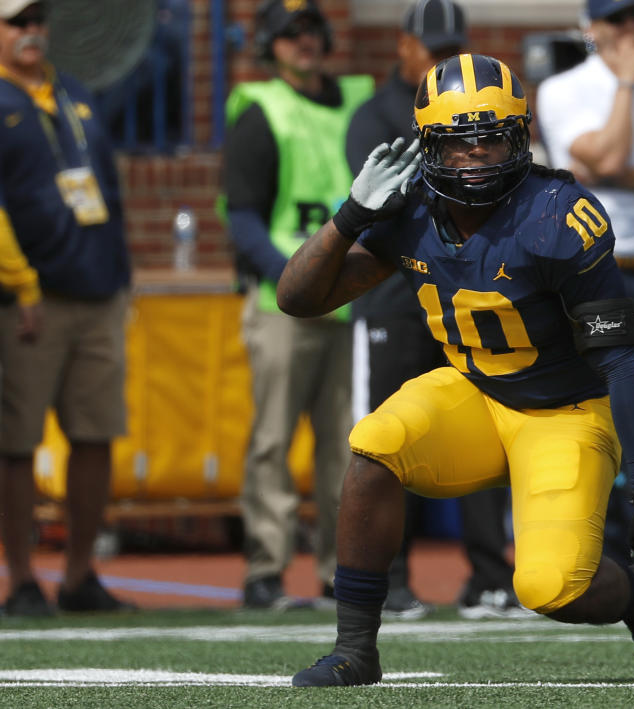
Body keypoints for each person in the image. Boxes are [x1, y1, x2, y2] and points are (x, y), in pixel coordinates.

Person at [278, 53, 634, 687]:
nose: (477, 156)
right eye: (460, 143)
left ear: (521, 137)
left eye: (493, 138)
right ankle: (355, 649)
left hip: (567, 411)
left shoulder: (559, 217)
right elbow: (299, 298)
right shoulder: (410, 210)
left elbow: (622, 362)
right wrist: (351, 216)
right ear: (430, 146)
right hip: (476, 393)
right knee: (372, 447)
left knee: (551, 588)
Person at [346, 0, 527, 621]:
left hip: (465, 299)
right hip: (397, 297)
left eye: (452, 44)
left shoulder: (477, 110)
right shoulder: (374, 114)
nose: (441, 56)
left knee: (484, 431)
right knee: (392, 437)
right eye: (431, 46)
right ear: (403, 47)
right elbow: (385, 206)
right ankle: (390, 579)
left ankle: (487, 576)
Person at [221, 0, 373, 609]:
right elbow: (241, 215)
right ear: (270, 46)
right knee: (273, 439)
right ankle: (266, 568)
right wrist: (289, 275)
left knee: (347, 442)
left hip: (347, 298)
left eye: (311, 30)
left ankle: (343, 569)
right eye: (289, 35)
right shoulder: (261, 110)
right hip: (283, 302)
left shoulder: (356, 99)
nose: (303, 42)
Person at [537, 0, 634, 563]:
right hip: (597, 270)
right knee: (598, 416)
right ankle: (599, 550)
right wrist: (625, 86)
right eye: (617, 21)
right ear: (592, 29)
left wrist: (617, 172)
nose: (631, 31)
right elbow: (599, 157)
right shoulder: (564, 88)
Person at [0, 0, 134, 615]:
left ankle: (80, 575)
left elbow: (107, 187)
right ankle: (23, 579)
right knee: (17, 441)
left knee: (96, 433)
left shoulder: (74, 93)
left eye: (36, 22)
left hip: (97, 289)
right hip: (31, 300)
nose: (31, 33)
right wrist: (20, 283)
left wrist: (122, 279)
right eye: (16, 23)